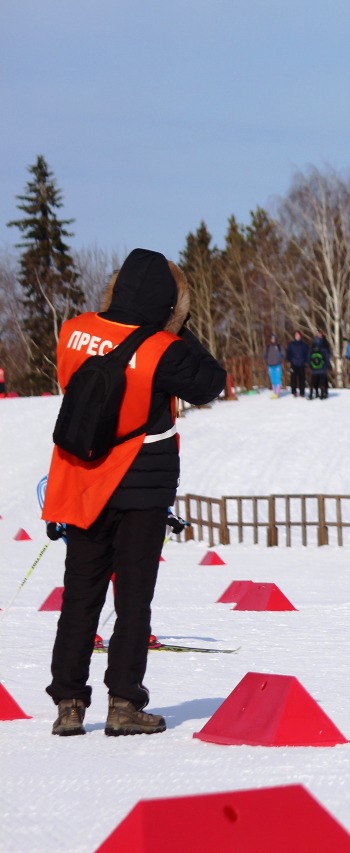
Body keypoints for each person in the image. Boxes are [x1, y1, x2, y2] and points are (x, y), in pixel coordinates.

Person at [41, 248, 226, 737]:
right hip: (141, 485)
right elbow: (212, 383)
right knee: (133, 598)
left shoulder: (72, 332)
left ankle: (68, 704)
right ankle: (124, 703)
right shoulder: (162, 350)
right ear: (167, 301)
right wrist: (177, 327)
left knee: (79, 594)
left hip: (82, 479)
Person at [308, 333, 331, 400]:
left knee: (314, 381)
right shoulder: (324, 345)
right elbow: (327, 356)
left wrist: (310, 364)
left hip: (314, 368)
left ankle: (313, 393)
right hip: (322, 367)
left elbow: (309, 356)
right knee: (323, 381)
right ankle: (323, 393)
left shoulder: (312, 346)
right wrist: (327, 365)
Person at [286, 330, 309, 397]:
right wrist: (290, 360)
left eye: (298, 335)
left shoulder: (304, 345)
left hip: (302, 364)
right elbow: (288, 354)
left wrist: (306, 361)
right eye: (296, 335)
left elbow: (307, 353)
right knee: (293, 379)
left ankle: (302, 392)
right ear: (294, 336)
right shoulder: (291, 344)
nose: (297, 336)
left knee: (302, 379)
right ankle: (294, 392)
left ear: (300, 336)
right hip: (294, 364)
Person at [263, 334, 284, 398]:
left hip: (277, 365)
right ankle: (274, 392)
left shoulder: (279, 346)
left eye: (274, 339)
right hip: (270, 366)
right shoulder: (268, 347)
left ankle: (277, 394)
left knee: (277, 379)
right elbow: (265, 355)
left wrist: (280, 358)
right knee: (272, 380)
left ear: (276, 339)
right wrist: (266, 360)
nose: (273, 340)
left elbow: (283, 354)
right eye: (272, 339)